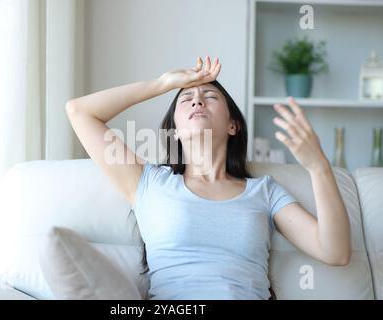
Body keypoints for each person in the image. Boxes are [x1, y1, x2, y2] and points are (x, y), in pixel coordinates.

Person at [65, 56, 351, 300]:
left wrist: (318, 167)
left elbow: (335, 251)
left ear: (232, 125)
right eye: (186, 98)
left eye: (210, 96)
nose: (197, 100)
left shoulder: (264, 192)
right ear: (174, 129)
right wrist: (162, 84)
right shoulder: (149, 182)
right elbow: (80, 112)